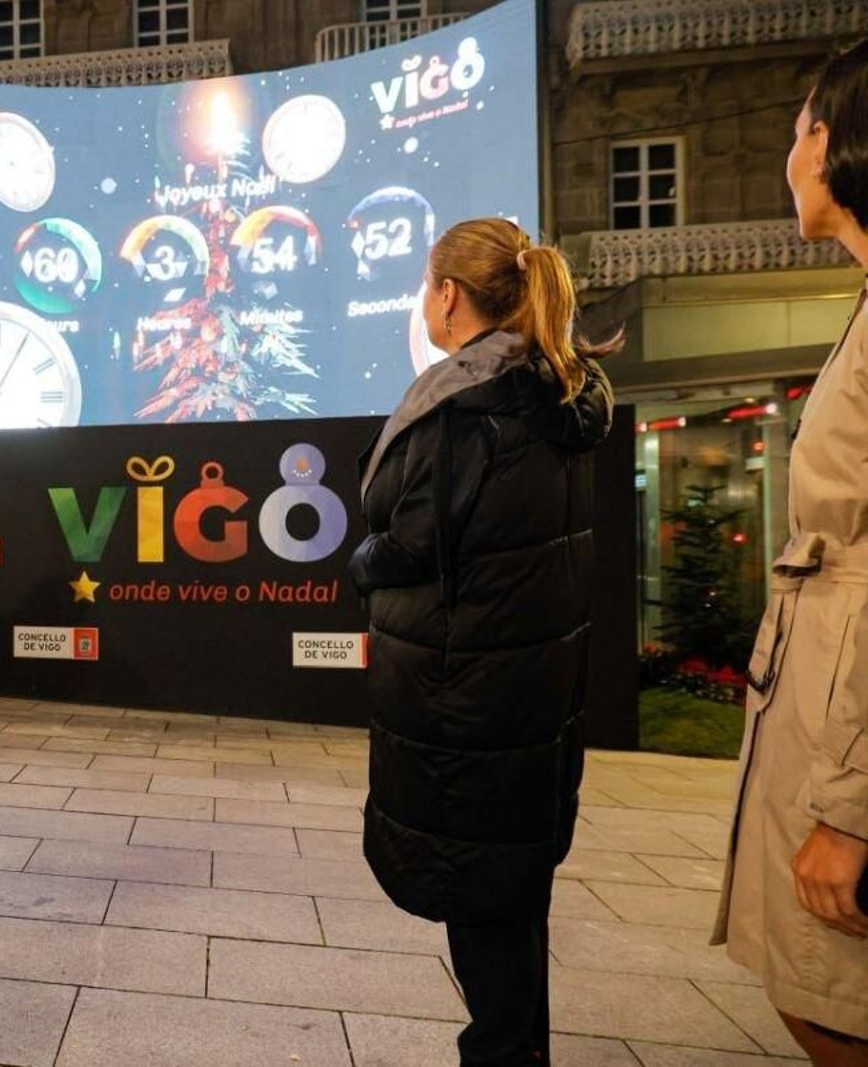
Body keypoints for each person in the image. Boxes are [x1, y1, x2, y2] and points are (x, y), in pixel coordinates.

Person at [349, 217, 617, 1066]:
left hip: (467, 703)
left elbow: (408, 544)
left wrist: (361, 558)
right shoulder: (555, 393)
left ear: (450, 295)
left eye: (425, 285)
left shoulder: (467, 410)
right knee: (511, 905)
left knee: (486, 922)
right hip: (531, 695)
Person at [715, 39, 868, 1064]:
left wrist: (849, 808)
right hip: (814, 710)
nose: (787, 154)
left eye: (799, 128)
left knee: (828, 998)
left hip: (840, 739)